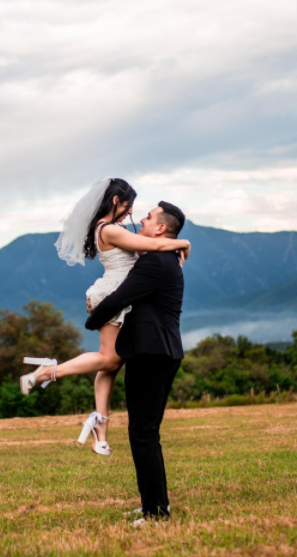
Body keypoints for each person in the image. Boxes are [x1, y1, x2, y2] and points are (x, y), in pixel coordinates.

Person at [19, 178, 190, 456]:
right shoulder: (108, 229)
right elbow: (155, 245)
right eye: (128, 205)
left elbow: (148, 248)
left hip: (119, 293)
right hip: (112, 294)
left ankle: (101, 430)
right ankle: (48, 372)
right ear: (115, 200)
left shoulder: (114, 228)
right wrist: (183, 242)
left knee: (110, 364)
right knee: (109, 358)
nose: (131, 212)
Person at [85, 200, 187, 526]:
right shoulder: (163, 257)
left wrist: (92, 320)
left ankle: (156, 513)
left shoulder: (155, 261)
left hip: (151, 354)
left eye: (148, 217)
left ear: (160, 228)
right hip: (159, 352)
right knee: (143, 432)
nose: (141, 219)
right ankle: (152, 504)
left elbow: (119, 298)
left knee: (143, 434)